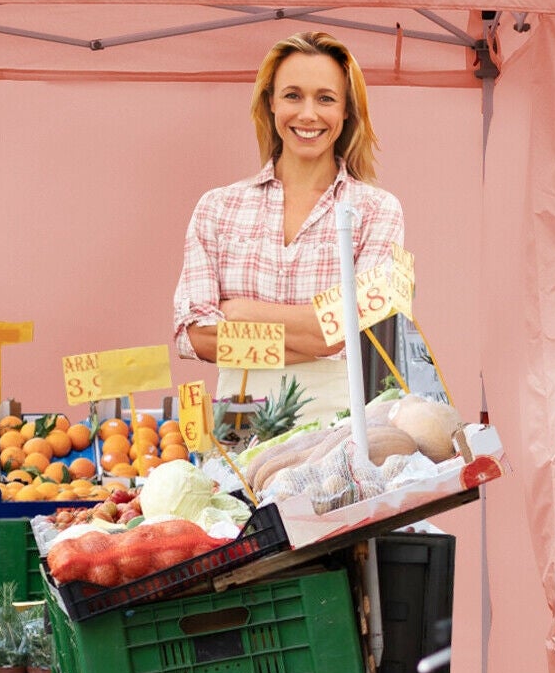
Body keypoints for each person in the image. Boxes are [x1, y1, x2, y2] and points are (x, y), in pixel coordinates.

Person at [173, 30, 405, 423]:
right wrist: (317, 335)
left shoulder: (377, 211)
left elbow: (354, 334)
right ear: (270, 103)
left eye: (326, 98)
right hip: (236, 426)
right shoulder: (217, 208)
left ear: (347, 110)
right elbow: (194, 336)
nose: (308, 114)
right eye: (293, 95)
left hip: (339, 431)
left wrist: (241, 312)